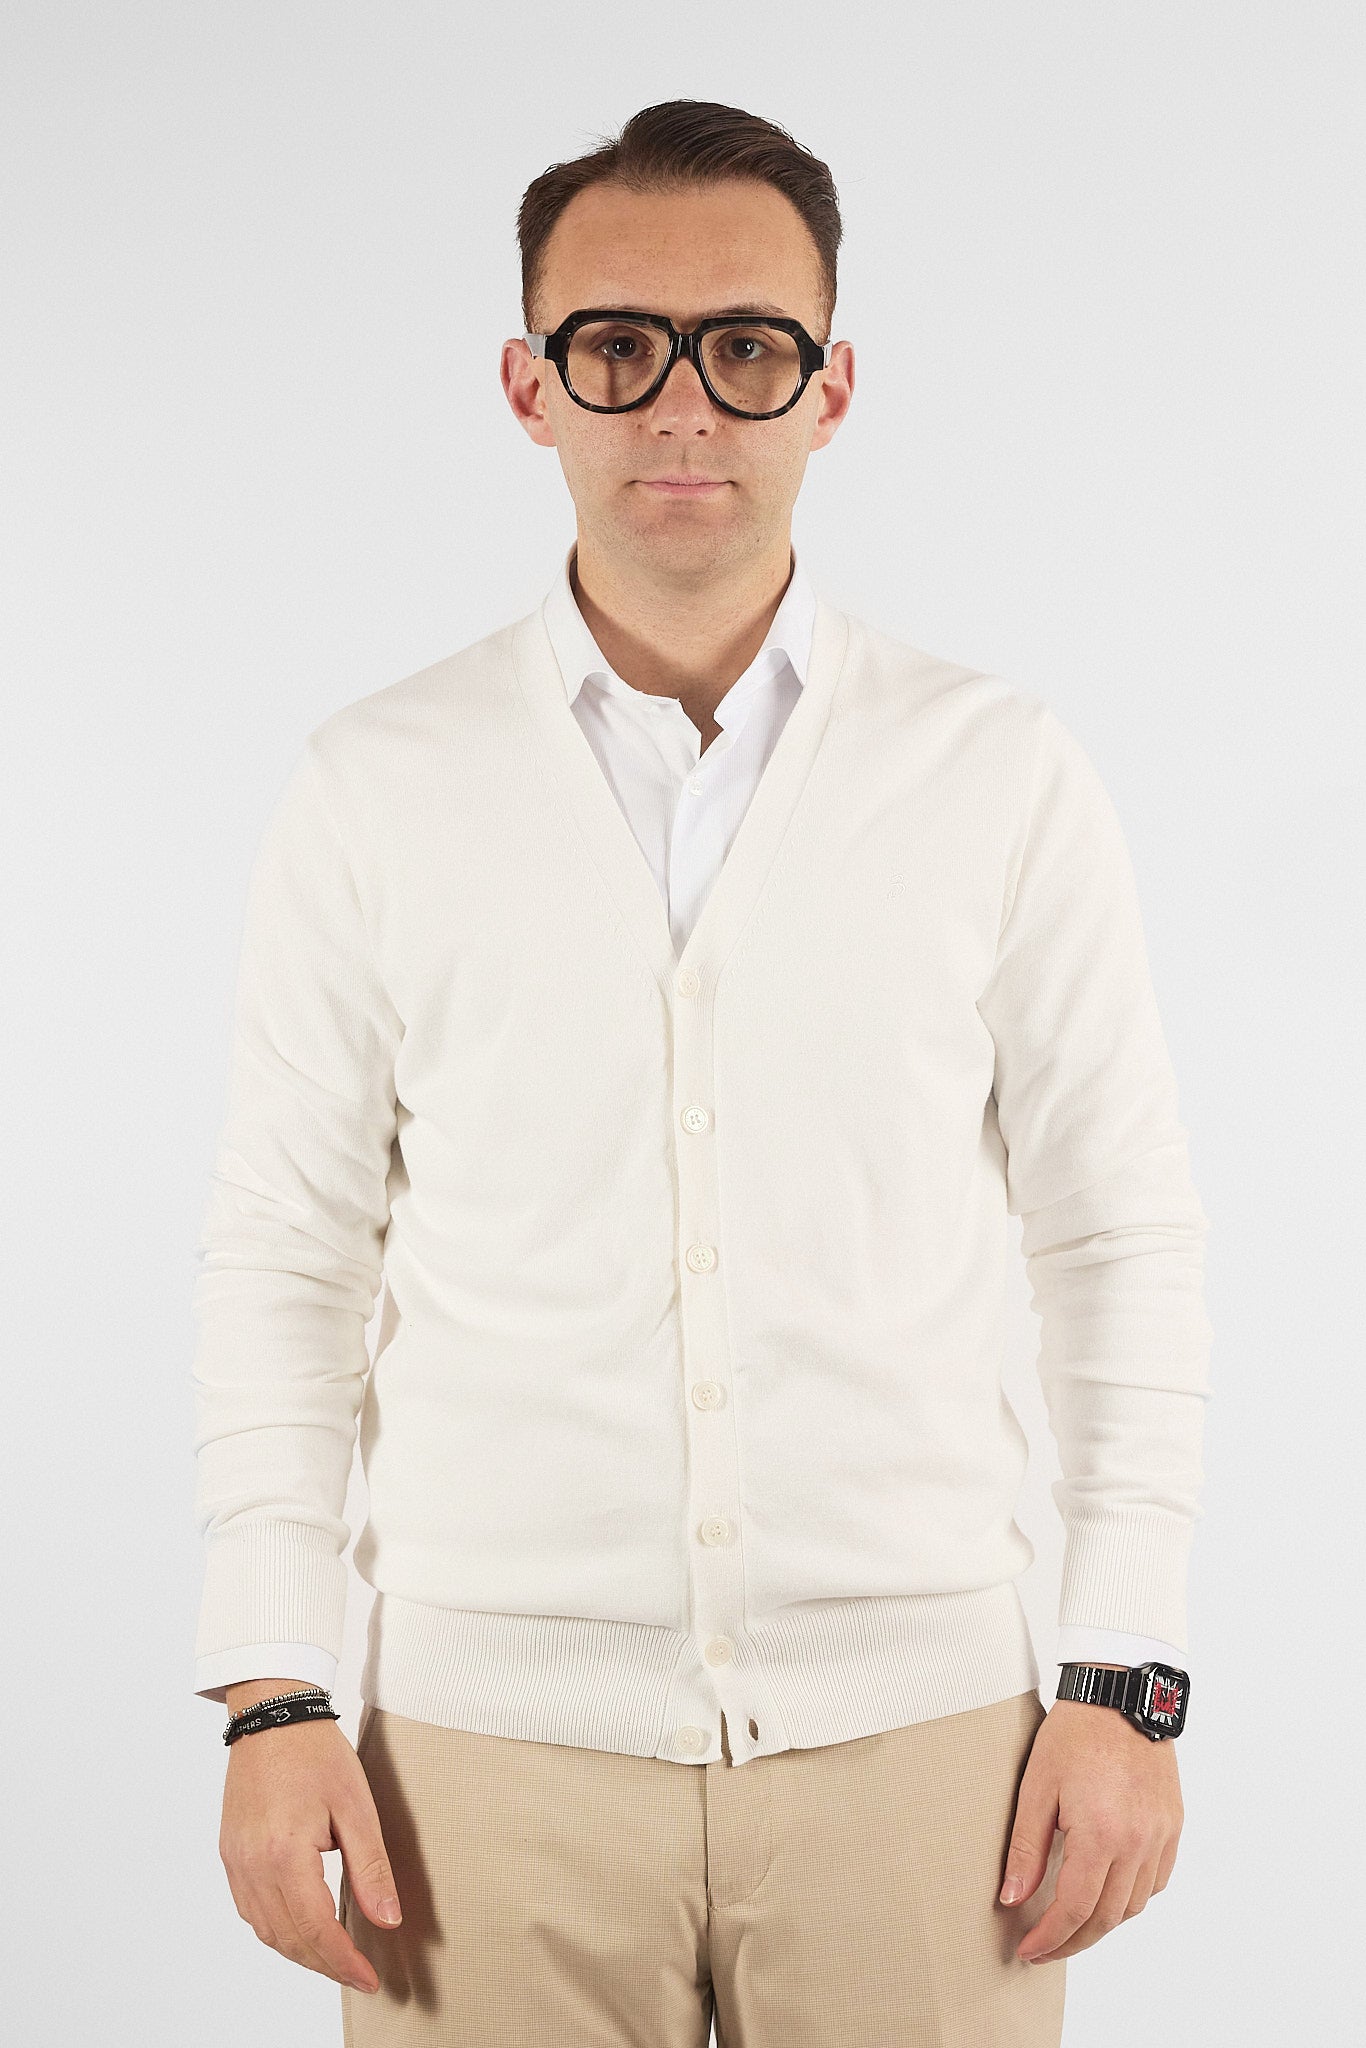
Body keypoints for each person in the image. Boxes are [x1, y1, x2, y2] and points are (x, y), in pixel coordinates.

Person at [192, 98, 1211, 2048]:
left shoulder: (995, 772)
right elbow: (285, 1253)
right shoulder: (376, 784)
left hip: (930, 1758)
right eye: (616, 346)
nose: (680, 405)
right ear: (528, 386)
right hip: (478, 1772)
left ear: (829, 388)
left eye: (744, 347)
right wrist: (272, 1685)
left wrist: (1124, 1671)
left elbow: (1115, 1234)